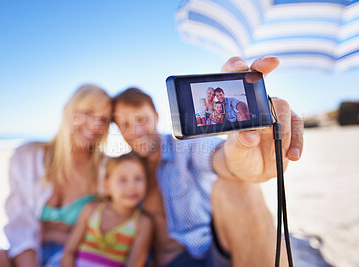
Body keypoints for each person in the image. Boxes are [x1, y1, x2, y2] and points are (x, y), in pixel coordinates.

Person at [111, 56, 305, 267]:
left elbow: (218, 156)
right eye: (125, 125)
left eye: (141, 120)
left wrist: (236, 160)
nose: (136, 132)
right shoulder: (120, 169)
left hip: (206, 254)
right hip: (159, 261)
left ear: (156, 116)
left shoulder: (183, 147)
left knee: (239, 187)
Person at [0, 85, 112, 267]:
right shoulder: (27, 157)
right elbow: (20, 225)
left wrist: (53, 233)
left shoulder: (106, 168)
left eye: (103, 119)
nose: (95, 125)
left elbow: (112, 229)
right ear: (68, 111)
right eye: (87, 112)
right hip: (30, 254)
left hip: (80, 257)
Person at [61, 153, 153, 267]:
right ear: (106, 186)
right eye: (123, 180)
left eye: (138, 178)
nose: (131, 186)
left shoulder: (142, 223)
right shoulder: (91, 210)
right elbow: (69, 252)